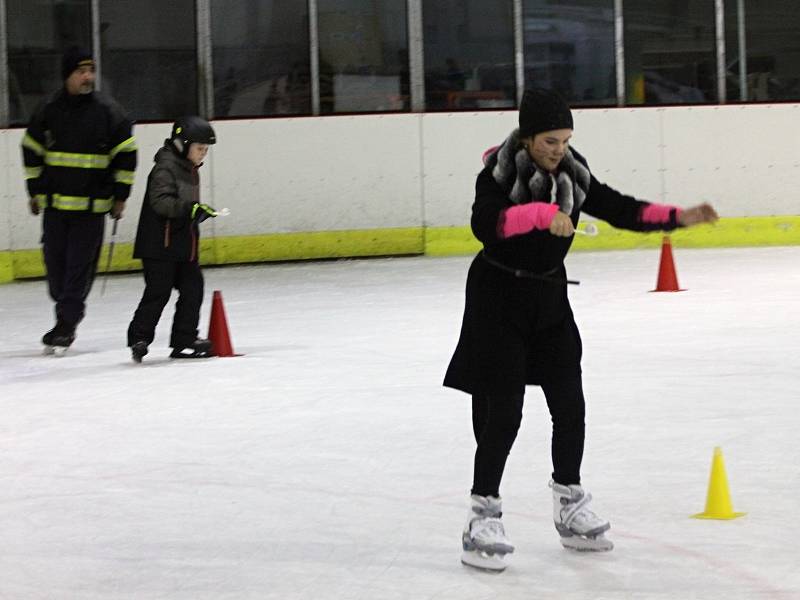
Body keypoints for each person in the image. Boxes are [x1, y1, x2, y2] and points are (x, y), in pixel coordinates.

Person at [444, 88, 719, 571]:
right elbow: (486, 225)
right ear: (528, 138)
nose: (558, 150)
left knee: (570, 404)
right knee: (503, 411)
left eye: (565, 140)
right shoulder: (497, 176)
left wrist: (679, 218)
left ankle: (569, 501)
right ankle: (482, 514)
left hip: (548, 302)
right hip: (497, 301)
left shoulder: (573, 175)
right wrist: (543, 215)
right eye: (550, 140)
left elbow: (622, 208)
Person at [21, 46, 137, 354]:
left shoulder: (109, 112)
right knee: (56, 273)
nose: (87, 77)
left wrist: (120, 197)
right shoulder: (48, 109)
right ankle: (65, 312)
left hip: (90, 211)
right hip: (56, 208)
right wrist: (34, 191)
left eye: (91, 71)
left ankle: (66, 326)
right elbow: (31, 148)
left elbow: (126, 154)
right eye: (80, 72)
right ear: (67, 76)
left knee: (76, 269)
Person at [126, 116, 219, 363]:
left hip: (181, 244)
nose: (203, 154)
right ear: (183, 144)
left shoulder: (188, 167)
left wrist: (197, 213)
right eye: (200, 149)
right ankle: (139, 338)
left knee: (193, 288)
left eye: (206, 150)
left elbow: (183, 206)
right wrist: (190, 209)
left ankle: (184, 339)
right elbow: (160, 202)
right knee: (158, 291)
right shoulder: (165, 167)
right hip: (159, 245)